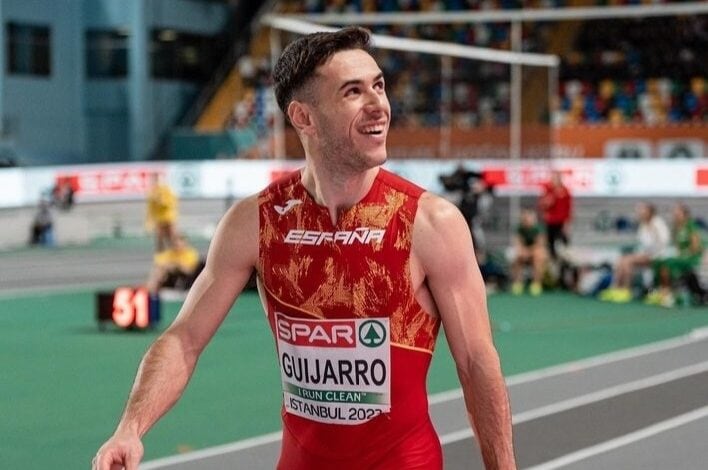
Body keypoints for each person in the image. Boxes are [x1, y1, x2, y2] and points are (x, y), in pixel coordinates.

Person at [93, 27, 515, 470]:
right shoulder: (254, 222)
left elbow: (475, 362)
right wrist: (130, 427)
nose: (379, 105)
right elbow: (185, 338)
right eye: (353, 92)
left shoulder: (430, 224)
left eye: (379, 86)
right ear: (304, 118)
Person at [599, 202, 670, 303]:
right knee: (621, 260)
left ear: (649, 212)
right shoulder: (643, 225)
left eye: (643, 210)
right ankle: (616, 288)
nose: (640, 213)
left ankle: (626, 290)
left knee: (627, 261)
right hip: (645, 255)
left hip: (657, 256)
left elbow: (662, 242)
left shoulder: (658, 224)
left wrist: (649, 251)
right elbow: (643, 243)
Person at [646, 203, 705, 307]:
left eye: (677, 213)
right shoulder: (676, 228)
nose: (675, 215)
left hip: (691, 258)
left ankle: (668, 295)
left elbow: (696, 247)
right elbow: (678, 247)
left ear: (685, 214)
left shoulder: (690, 226)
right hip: (681, 257)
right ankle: (659, 292)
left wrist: (684, 254)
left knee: (667, 264)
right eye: (674, 213)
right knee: (658, 263)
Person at [510, 208, 547, 296]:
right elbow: (518, 243)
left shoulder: (538, 228)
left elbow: (540, 244)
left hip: (535, 251)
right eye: (524, 218)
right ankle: (518, 283)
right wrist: (523, 251)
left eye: (528, 218)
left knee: (537, 258)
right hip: (525, 251)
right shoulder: (519, 228)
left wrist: (529, 252)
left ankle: (536, 284)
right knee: (518, 258)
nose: (526, 220)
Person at [538, 169, 572, 260]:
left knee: (563, 240)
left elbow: (568, 208)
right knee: (550, 241)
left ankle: (566, 258)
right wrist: (548, 201)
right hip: (550, 221)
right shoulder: (548, 190)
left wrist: (566, 222)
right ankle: (553, 258)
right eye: (553, 178)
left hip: (561, 221)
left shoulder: (565, 191)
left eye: (557, 178)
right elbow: (542, 204)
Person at [145, 173, 178, 252]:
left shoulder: (166, 190)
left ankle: (175, 252)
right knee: (159, 237)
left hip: (168, 216)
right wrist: (149, 222)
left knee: (172, 235)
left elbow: (171, 203)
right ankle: (160, 254)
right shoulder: (151, 193)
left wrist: (161, 200)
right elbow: (150, 209)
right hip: (159, 218)